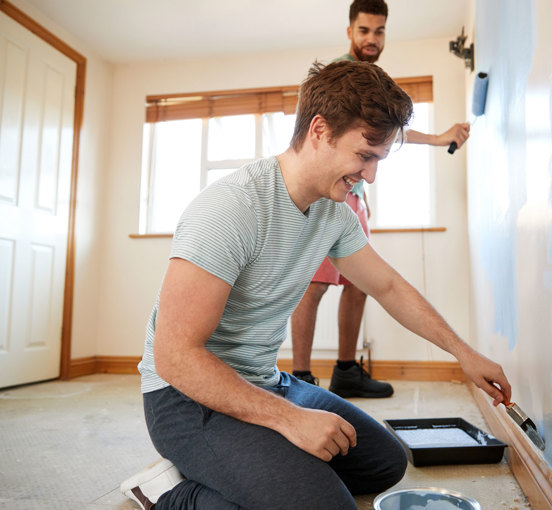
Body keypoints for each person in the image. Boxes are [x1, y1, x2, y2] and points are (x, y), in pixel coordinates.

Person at [120, 60, 511, 510]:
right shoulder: (230, 210)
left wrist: (463, 352)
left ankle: (251, 469)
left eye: (378, 161)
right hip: (184, 400)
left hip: (267, 381)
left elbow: (386, 286)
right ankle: (169, 495)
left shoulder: (333, 214)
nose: (370, 176)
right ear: (319, 131)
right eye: (365, 156)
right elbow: (174, 357)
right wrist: (289, 420)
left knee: (383, 463)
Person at [290, 0, 472, 398]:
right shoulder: (342, 76)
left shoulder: (372, 77)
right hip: (330, 194)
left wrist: (439, 138)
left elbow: (384, 135)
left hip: (354, 196)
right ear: (350, 32)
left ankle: (346, 371)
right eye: (364, 31)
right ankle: (300, 377)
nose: (372, 39)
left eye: (379, 31)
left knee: (360, 284)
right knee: (315, 284)